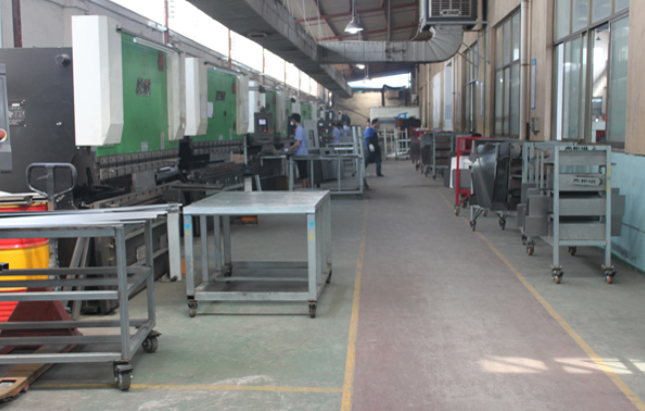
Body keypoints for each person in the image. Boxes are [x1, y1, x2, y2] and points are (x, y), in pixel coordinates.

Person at [288, 113, 310, 188]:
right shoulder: (302, 129)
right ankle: (307, 186)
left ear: (293, 120)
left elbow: (297, 143)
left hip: (300, 154)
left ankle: (304, 186)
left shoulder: (298, 129)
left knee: (302, 171)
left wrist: (290, 148)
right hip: (304, 153)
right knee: (304, 171)